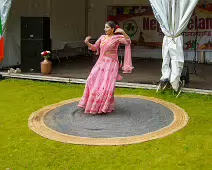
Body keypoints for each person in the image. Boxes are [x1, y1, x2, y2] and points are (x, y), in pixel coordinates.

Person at [78, 21, 133, 114]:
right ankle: (91, 104)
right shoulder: (102, 37)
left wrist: (123, 32)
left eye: (107, 27)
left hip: (111, 64)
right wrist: (87, 43)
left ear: (112, 29)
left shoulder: (117, 38)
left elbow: (128, 41)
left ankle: (104, 106)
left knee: (106, 85)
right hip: (101, 62)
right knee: (91, 80)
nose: (105, 29)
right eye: (105, 27)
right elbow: (95, 48)